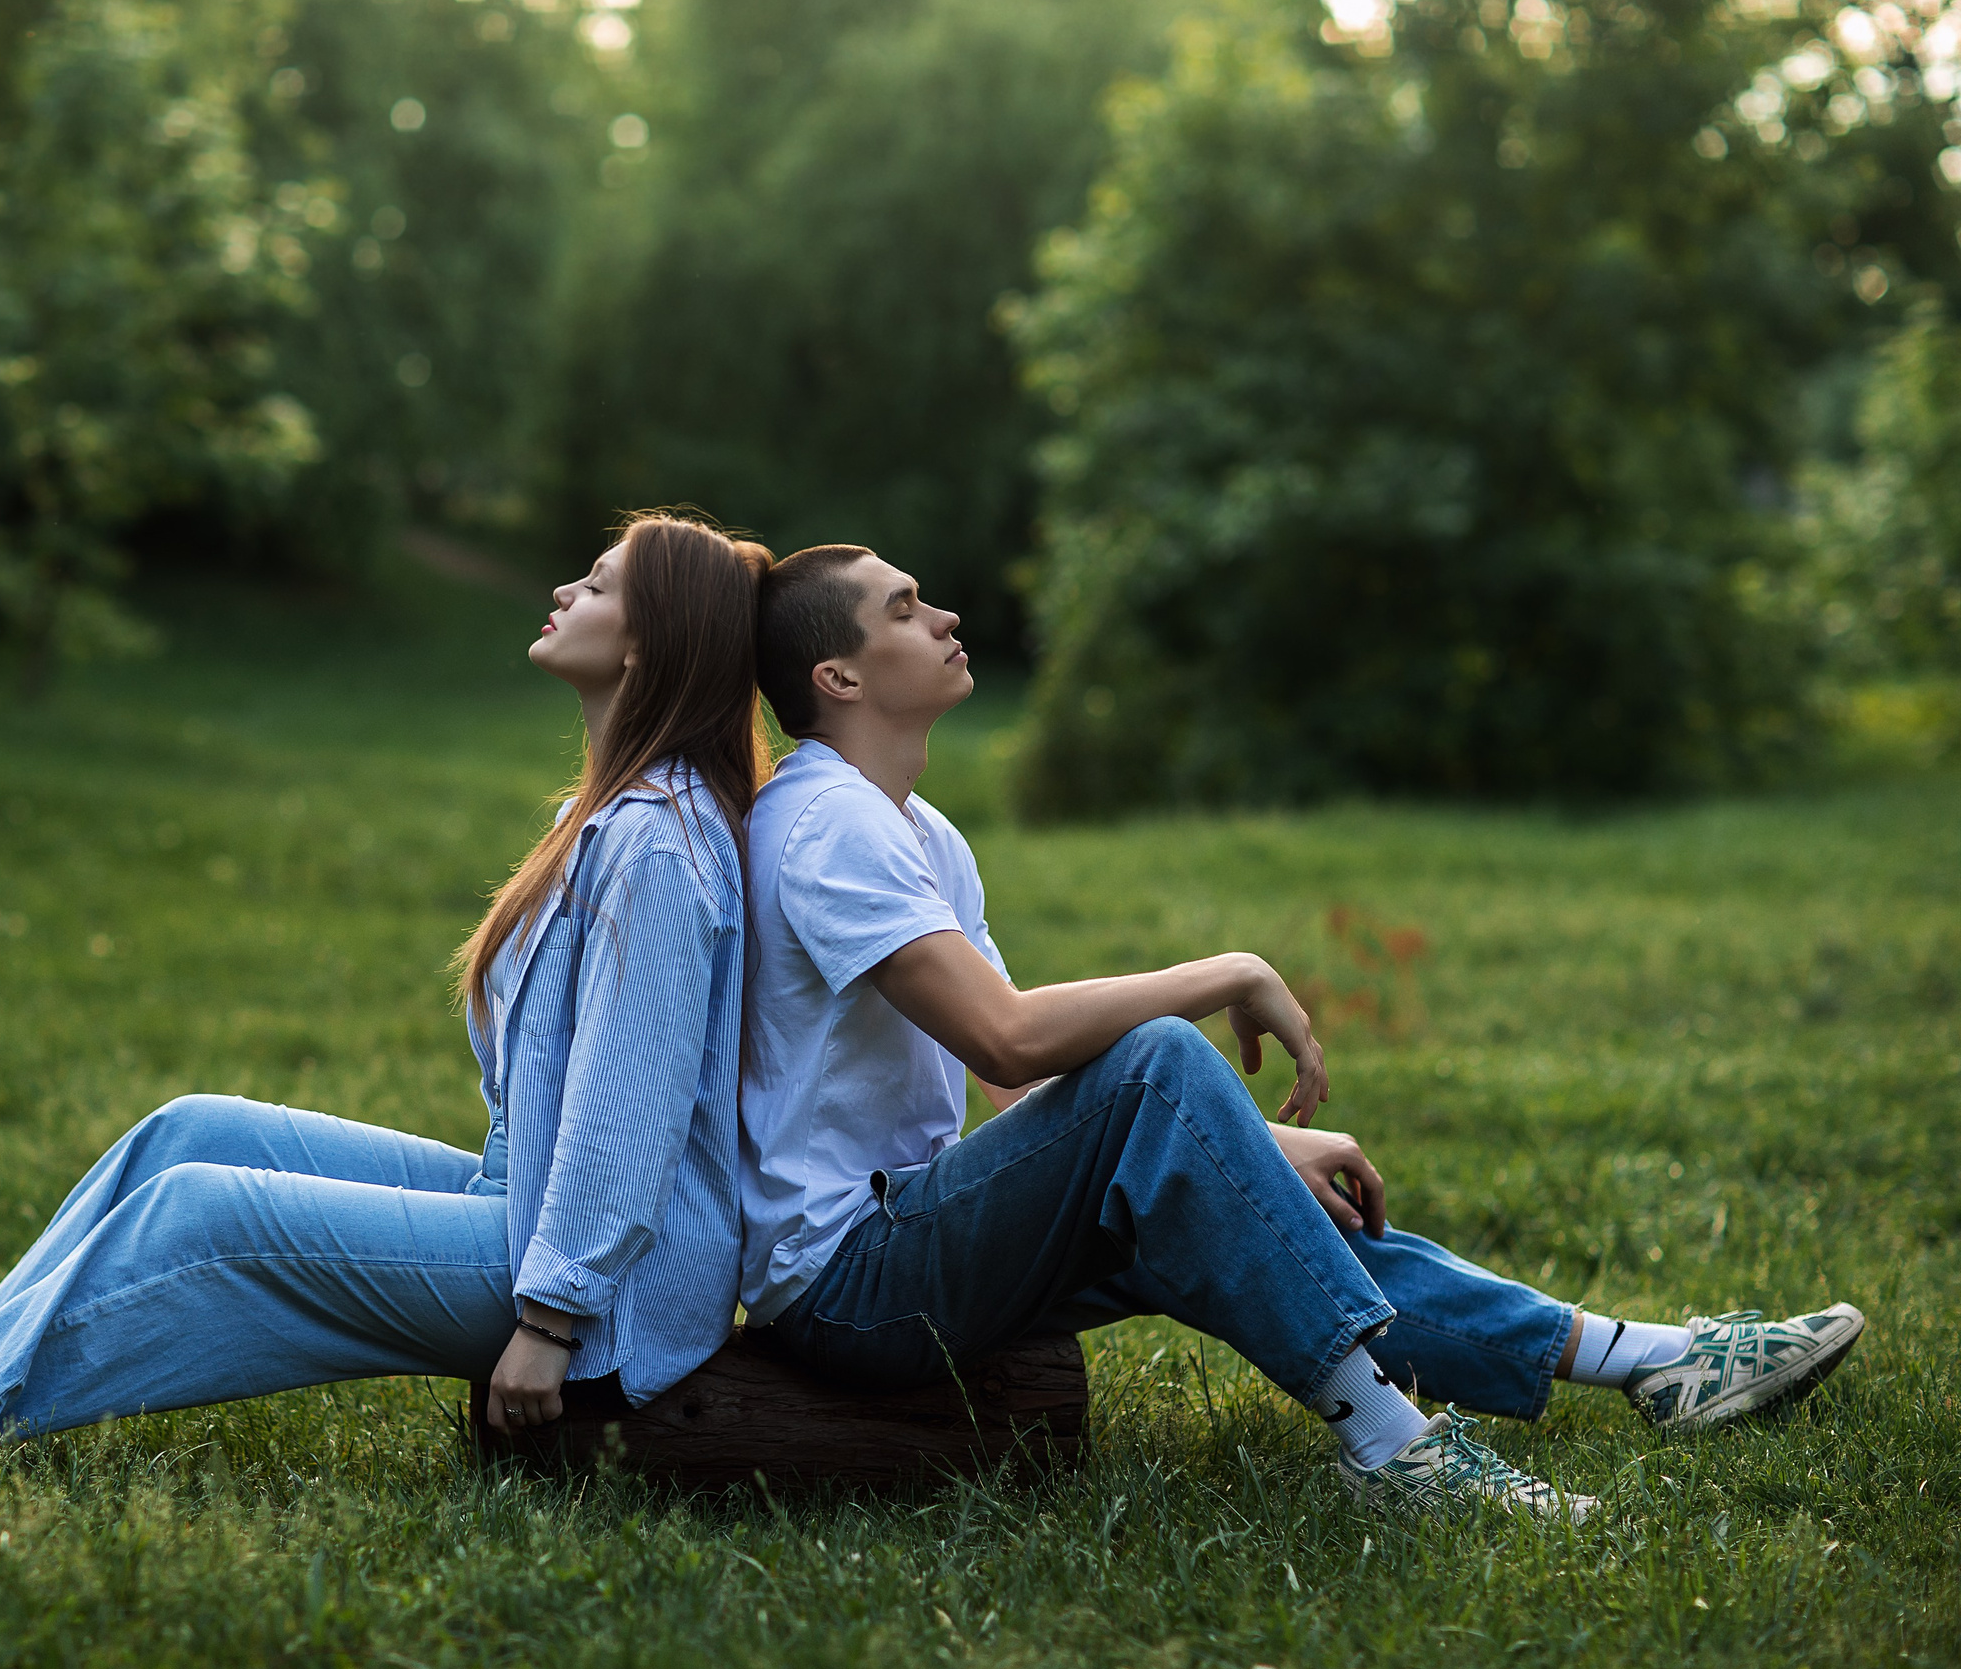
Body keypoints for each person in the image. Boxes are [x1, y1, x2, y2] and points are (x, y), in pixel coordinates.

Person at [735, 544, 1864, 1521]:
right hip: (849, 1285)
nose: (945, 617)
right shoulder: (826, 823)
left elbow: (1017, 1100)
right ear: (839, 676)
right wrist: (1229, 971)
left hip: (925, 1231)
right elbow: (1008, 1040)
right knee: (1158, 1055)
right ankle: (1392, 1448)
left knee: (1246, 1190)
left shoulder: (918, 829)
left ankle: (1657, 1363)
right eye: (904, 609)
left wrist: (1242, 1144)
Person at [0, 514, 773, 1469]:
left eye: (596, 586)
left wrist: (549, 1323)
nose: (562, 592)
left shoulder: (656, 847)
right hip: (523, 1202)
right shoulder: (613, 816)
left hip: (605, 1295)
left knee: (205, 1215)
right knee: (185, 1133)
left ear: (645, 646)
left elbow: (627, 1121)